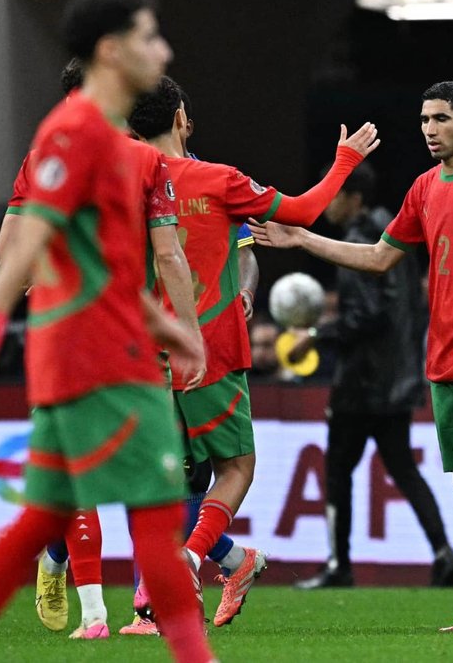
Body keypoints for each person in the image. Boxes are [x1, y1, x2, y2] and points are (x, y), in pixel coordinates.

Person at [0, 0, 216, 663]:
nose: (161, 50)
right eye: (149, 36)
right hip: (96, 362)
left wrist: (166, 329)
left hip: (108, 349)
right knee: (158, 517)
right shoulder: (72, 135)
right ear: (112, 51)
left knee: (43, 518)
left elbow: (92, 265)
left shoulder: (109, 143)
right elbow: (19, 249)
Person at [252, 79, 453, 634]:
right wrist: (303, 240)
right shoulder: (424, 189)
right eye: (424, 120)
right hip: (443, 354)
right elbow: (380, 257)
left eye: (441, 119)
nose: (429, 129)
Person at [128, 75, 380, 627]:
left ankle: (176, 586)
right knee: (236, 468)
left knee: (160, 480)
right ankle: (190, 563)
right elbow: (304, 211)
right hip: (210, 344)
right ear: (179, 120)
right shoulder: (218, 180)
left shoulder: (118, 184)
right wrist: (343, 161)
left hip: (145, 352)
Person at [0, 59, 200, 641]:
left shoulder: (129, 163)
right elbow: (7, 257)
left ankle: (74, 574)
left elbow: (170, 256)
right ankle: (93, 611)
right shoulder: (55, 162)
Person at [288, 163, 453, 590]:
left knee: (337, 471)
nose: (327, 203)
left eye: (334, 194)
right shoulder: (392, 230)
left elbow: (365, 315)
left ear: (354, 199)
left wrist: (314, 335)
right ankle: (443, 553)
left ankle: (338, 565)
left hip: (361, 381)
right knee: (403, 468)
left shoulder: (356, 241)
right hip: (399, 375)